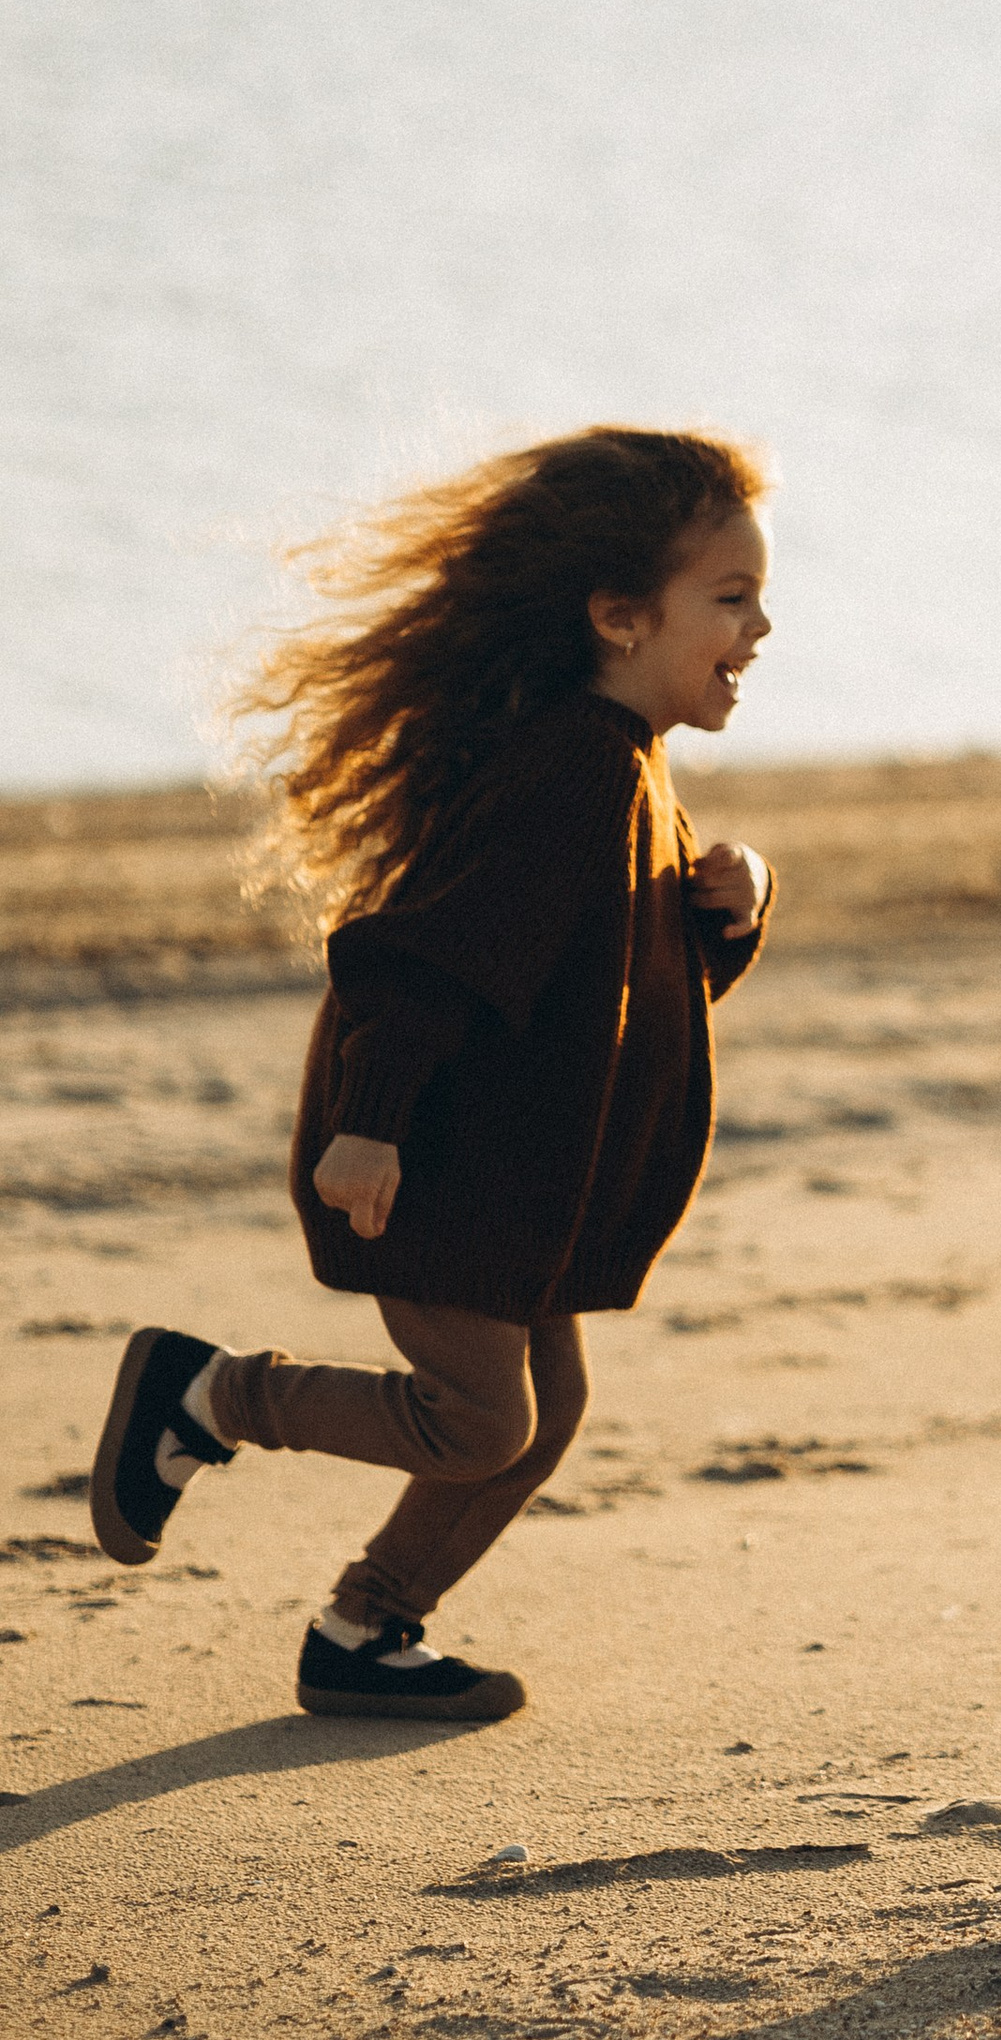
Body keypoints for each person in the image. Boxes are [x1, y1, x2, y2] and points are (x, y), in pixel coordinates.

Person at [89, 426, 776, 1725]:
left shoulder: (627, 765)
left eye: (759, 597)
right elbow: (415, 963)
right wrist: (371, 1125)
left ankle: (368, 1630)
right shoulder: (568, 768)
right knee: (480, 1421)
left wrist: (726, 916)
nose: (761, 627)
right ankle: (210, 1391)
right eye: (730, 600)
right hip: (444, 1161)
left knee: (542, 1410)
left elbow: (627, 1003)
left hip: (526, 1176)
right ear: (619, 616)